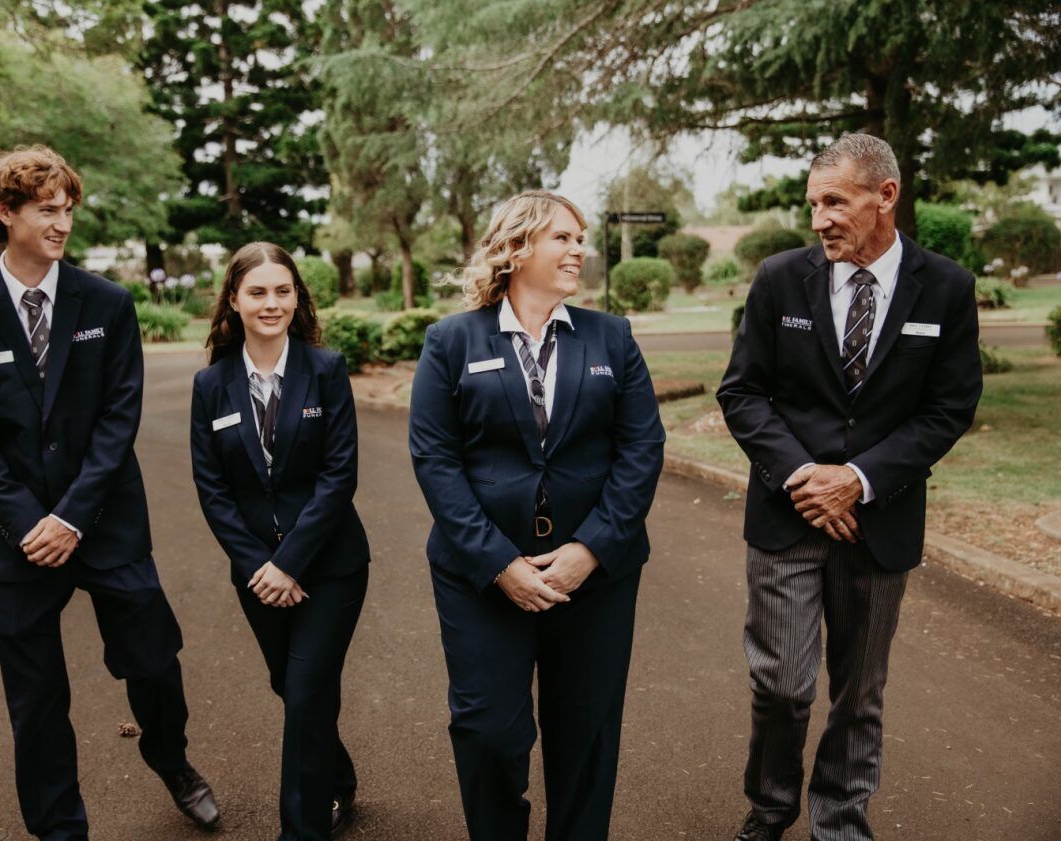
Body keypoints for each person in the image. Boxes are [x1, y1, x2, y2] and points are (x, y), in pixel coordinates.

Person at [0, 145, 220, 840]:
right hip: (17, 535)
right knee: (35, 700)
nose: (62, 224)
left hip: (105, 520)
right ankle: (59, 826)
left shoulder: (107, 304)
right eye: (46, 211)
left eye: (68, 211)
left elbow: (119, 418)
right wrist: (34, 520)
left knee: (154, 658)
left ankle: (170, 756)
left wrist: (73, 516)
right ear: (6, 212)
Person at [717, 133, 982, 841]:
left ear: (885, 196)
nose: (819, 218)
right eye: (814, 203)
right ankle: (770, 808)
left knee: (859, 693)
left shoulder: (947, 288)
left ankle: (840, 819)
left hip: (879, 522)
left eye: (835, 201)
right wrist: (808, 477)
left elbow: (949, 408)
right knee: (782, 684)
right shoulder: (779, 279)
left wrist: (859, 480)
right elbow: (743, 393)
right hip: (787, 515)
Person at [408, 190, 665, 840]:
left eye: (581, 238)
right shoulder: (450, 342)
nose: (580, 249)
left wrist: (591, 549)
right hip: (484, 578)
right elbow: (436, 458)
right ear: (518, 247)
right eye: (563, 237)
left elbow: (641, 449)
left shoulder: (613, 336)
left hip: (596, 579)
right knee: (489, 731)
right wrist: (499, 562)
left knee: (585, 740)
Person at [190, 242, 370, 841]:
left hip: (332, 565)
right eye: (259, 292)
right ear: (234, 301)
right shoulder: (210, 385)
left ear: (298, 297)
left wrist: (289, 562)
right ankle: (338, 778)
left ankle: (302, 827)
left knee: (305, 692)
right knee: (295, 691)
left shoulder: (326, 369)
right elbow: (211, 490)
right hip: (256, 575)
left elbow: (338, 476)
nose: (273, 303)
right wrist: (258, 566)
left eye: (284, 291)